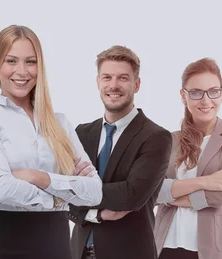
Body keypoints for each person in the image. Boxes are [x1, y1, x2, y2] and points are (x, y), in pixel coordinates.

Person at [0, 24, 103, 259]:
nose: (22, 71)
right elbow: (2, 187)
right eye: (11, 61)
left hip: (55, 241)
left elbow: (94, 192)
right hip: (3, 240)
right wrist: (63, 195)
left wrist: (37, 177)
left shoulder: (60, 122)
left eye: (30, 61)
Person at [68, 45, 173, 259]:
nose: (113, 86)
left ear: (137, 84)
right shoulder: (82, 133)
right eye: (107, 77)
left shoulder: (156, 137)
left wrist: (80, 190)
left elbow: (132, 195)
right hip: (78, 252)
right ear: (98, 82)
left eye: (123, 78)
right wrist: (97, 214)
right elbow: (64, 193)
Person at [153, 58, 222, 259]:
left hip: (213, 249)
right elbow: (152, 193)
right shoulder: (169, 140)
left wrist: (172, 197)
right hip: (165, 245)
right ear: (183, 95)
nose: (206, 101)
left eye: (213, 91)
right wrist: (206, 182)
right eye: (196, 93)